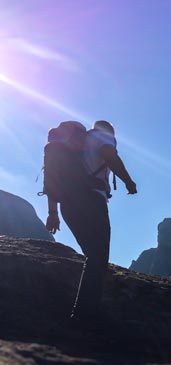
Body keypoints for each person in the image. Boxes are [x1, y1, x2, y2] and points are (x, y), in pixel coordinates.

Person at [45, 120, 137, 323]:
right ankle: (85, 314)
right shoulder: (101, 136)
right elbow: (110, 156)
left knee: (93, 256)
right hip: (92, 200)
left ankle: (83, 311)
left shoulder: (71, 149)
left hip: (68, 205)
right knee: (98, 257)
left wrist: (53, 212)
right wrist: (128, 181)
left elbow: (52, 180)